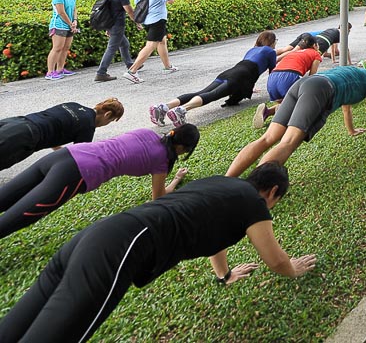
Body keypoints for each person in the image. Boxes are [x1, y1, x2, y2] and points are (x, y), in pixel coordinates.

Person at [0, 163, 316, 343]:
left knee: (16, 326)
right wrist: (293, 268)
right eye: (275, 201)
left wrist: (225, 274)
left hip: (95, 236)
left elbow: (217, 234)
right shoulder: (253, 203)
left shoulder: (222, 185)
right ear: (273, 192)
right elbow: (274, 259)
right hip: (119, 249)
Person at [0, 125, 199, 239]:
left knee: (4, 198)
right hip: (75, 174)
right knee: (13, 220)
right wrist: (176, 180)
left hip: (64, 155)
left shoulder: (146, 132)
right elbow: (158, 198)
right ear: (182, 147)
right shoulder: (162, 160)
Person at [226, 68, 366, 177]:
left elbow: (346, 107)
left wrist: (351, 130)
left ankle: (227, 180)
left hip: (303, 83)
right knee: (288, 142)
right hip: (321, 89)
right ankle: (253, 191)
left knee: (268, 138)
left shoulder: (352, 74)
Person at [149, 31, 277, 127]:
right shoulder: (270, 52)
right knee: (212, 95)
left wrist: (249, 86)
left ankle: (163, 107)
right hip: (240, 76)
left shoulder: (253, 50)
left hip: (230, 72)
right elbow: (272, 72)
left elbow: (249, 65)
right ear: (271, 41)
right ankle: (182, 110)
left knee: (201, 92)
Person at [0, 99, 124, 171]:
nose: (106, 124)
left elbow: (56, 122)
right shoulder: (87, 127)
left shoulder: (73, 105)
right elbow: (79, 159)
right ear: (107, 114)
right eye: (110, 121)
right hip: (25, 136)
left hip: (15, 121)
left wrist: (58, 149)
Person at [125, 0, 176, 84]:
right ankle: (132, 71)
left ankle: (167, 66)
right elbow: (170, 0)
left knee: (162, 40)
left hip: (146, 18)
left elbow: (137, 2)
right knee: (151, 45)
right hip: (157, 18)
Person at [252, 38, 323, 128]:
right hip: (290, 76)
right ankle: (279, 114)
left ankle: (266, 112)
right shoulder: (315, 54)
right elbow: (312, 76)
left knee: (284, 102)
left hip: (272, 78)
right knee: (299, 101)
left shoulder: (294, 52)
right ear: (314, 45)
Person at [94, 0, 140, 83]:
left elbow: (107, 11)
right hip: (118, 25)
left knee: (124, 44)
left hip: (111, 24)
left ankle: (131, 65)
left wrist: (107, 27)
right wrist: (138, 22)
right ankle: (101, 72)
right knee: (112, 48)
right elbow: (130, 11)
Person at [46, 0, 78, 80]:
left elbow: (74, 9)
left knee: (65, 48)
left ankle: (60, 69)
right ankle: (50, 72)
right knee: (57, 48)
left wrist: (75, 21)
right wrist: (70, 24)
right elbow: (61, 12)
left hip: (69, 25)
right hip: (59, 25)